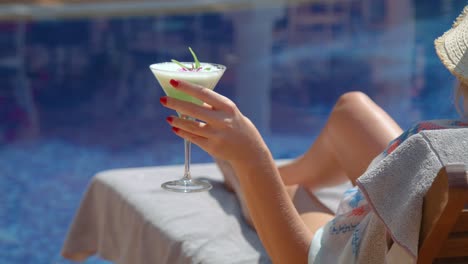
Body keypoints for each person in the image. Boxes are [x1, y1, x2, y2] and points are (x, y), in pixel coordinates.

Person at [159, 6, 468, 264]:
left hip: (382, 233)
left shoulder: (428, 151)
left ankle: (240, 176)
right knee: (352, 110)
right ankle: (275, 174)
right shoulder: (437, 146)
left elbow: (304, 257)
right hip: (428, 185)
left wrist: (252, 158)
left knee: (284, 191)